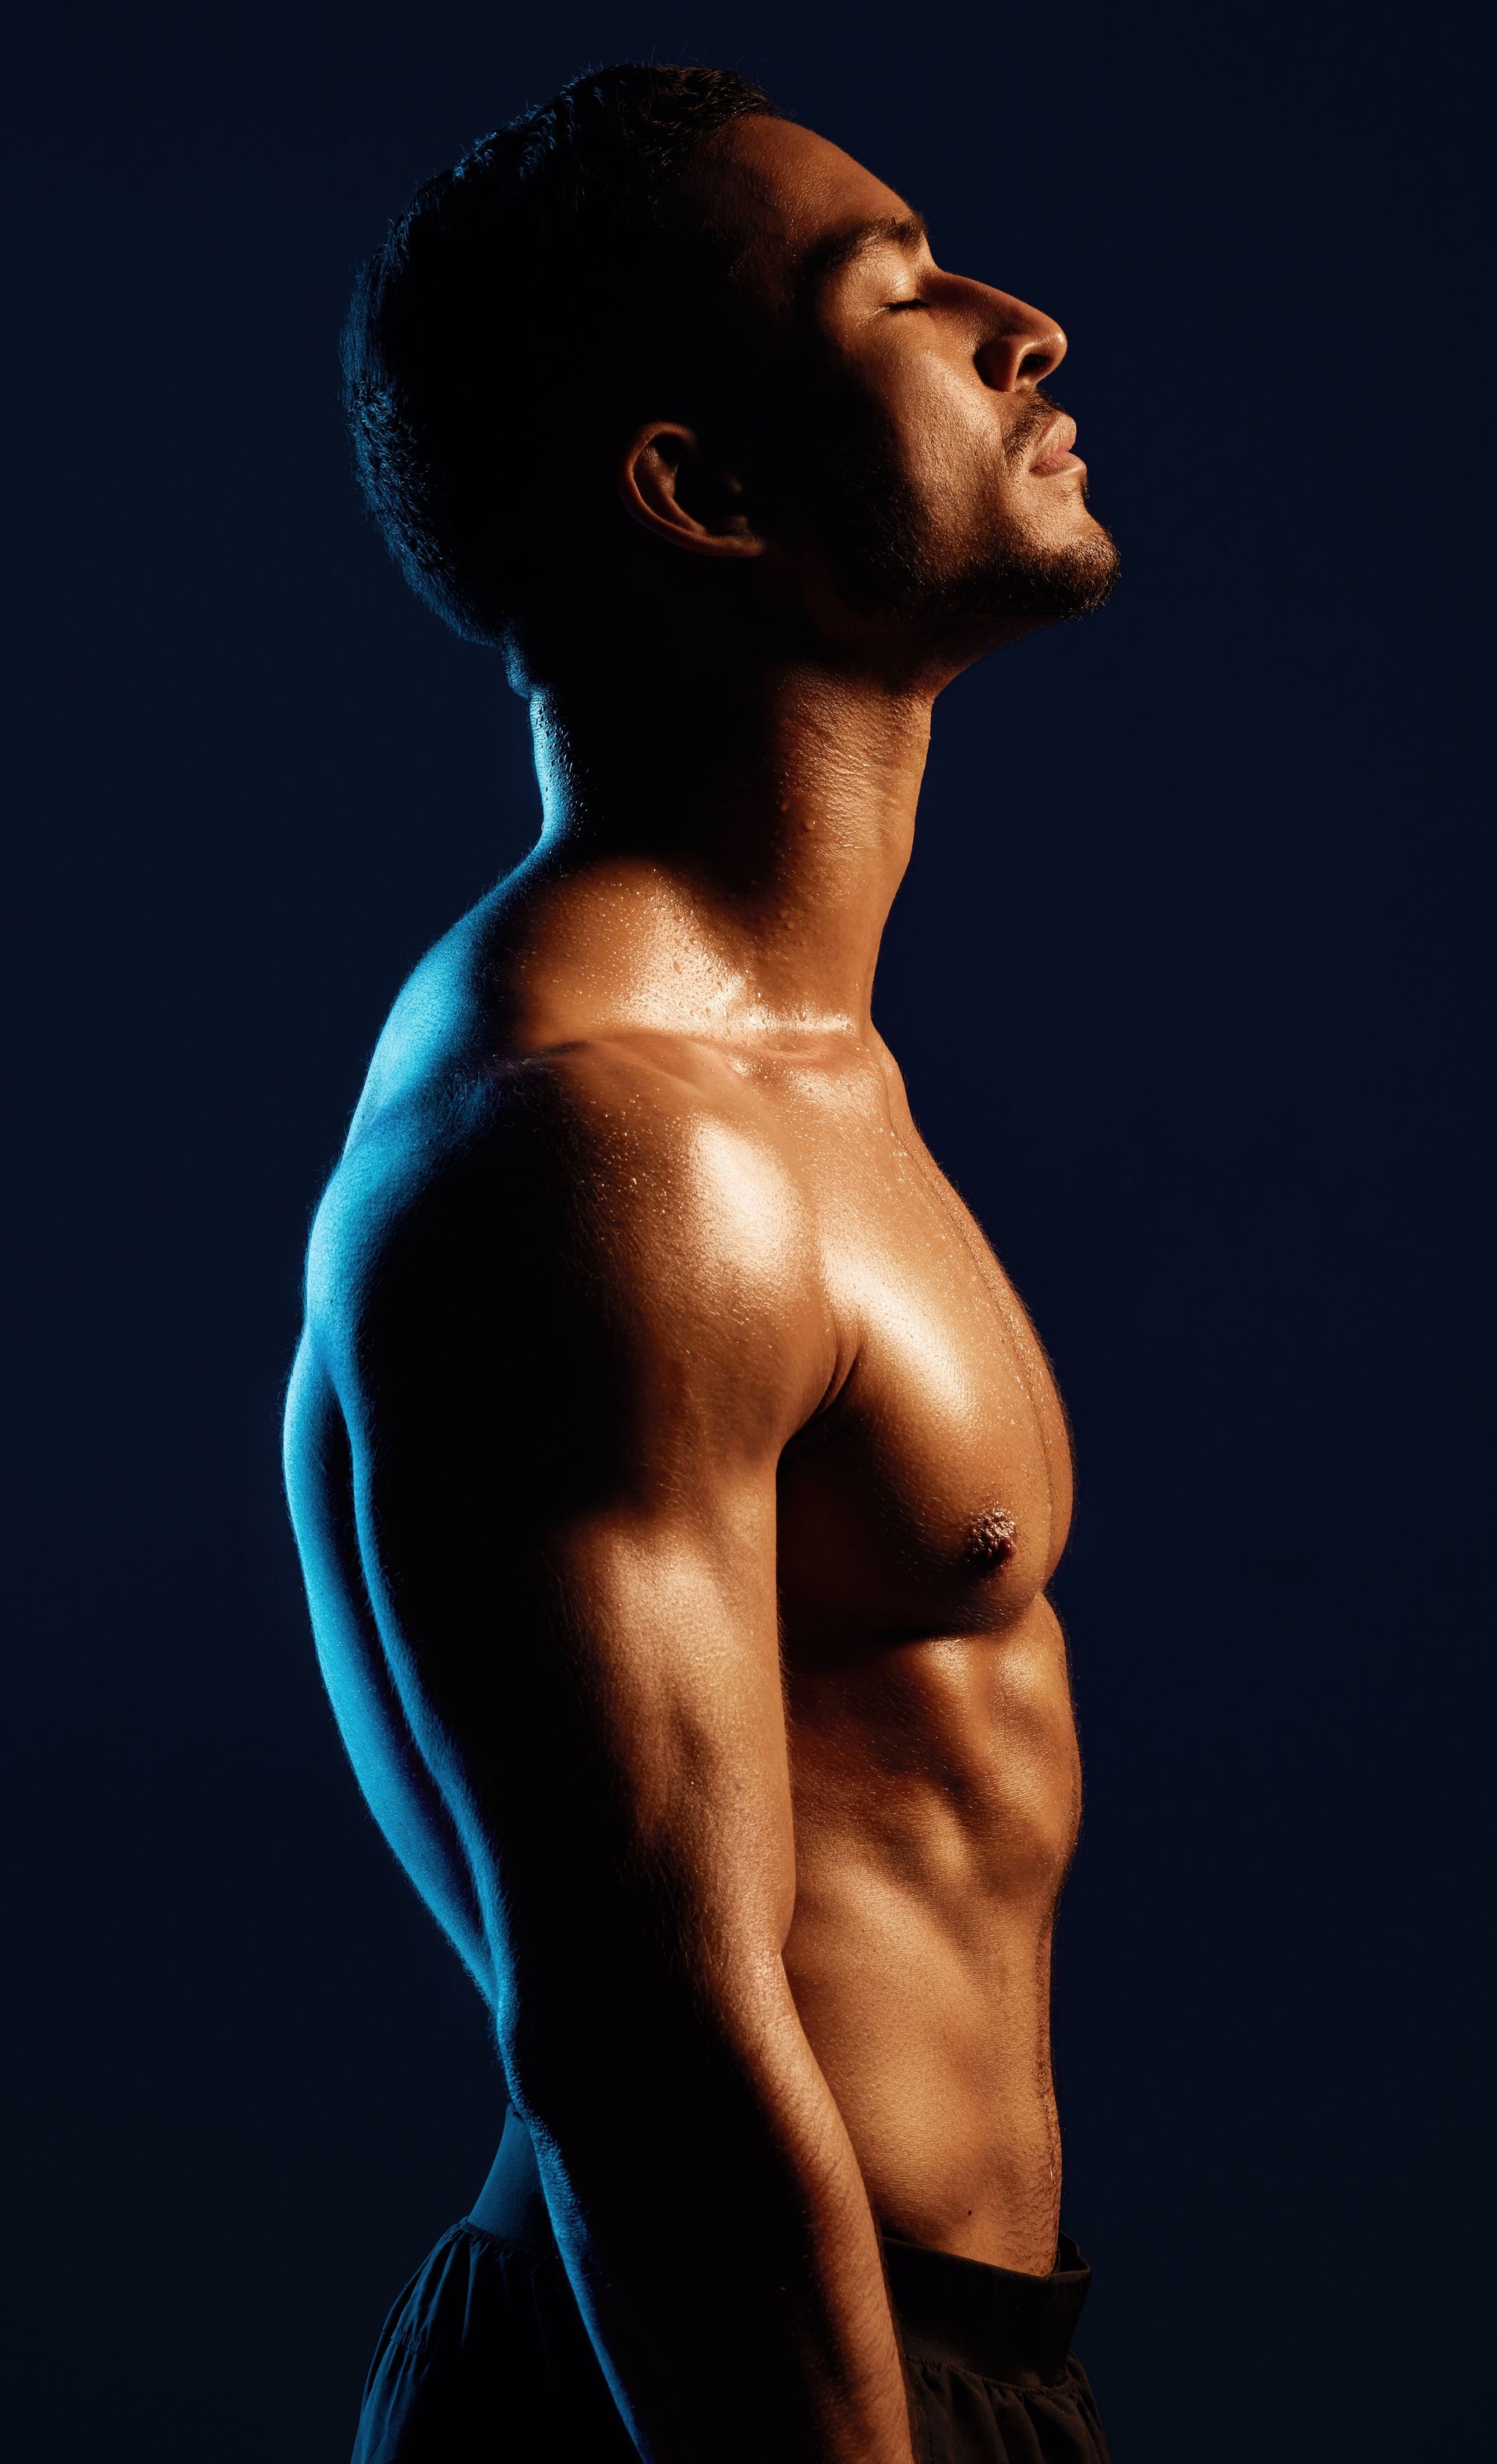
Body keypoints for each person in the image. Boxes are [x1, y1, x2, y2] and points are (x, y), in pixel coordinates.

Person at [284, 60, 1119, 2464]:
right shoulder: (612, 1153)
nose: (1024, 324)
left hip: (917, 2357)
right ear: (704, 493)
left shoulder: (794, 1076)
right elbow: (647, 2046)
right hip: (716, 2389)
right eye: (901, 296)